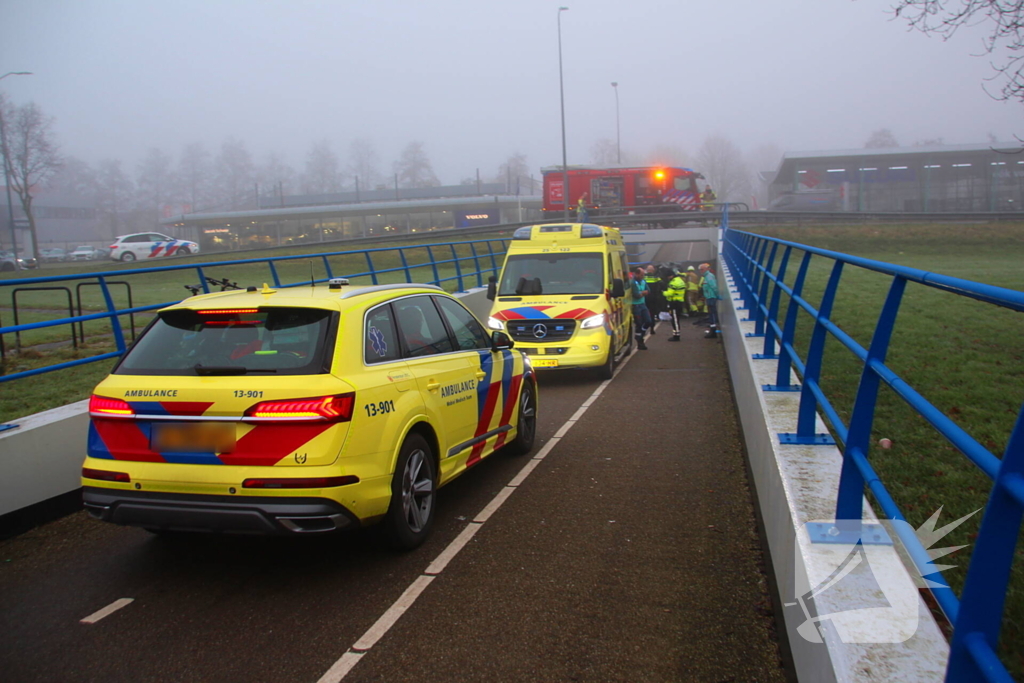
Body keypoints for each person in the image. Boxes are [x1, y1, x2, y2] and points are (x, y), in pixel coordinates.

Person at [630, 266, 651, 350]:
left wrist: (641, 293)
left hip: (642, 304)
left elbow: (648, 291)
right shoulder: (632, 283)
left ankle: (641, 334)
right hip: (635, 306)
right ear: (636, 274)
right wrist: (643, 293)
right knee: (639, 323)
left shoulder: (643, 281)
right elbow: (636, 295)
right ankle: (640, 341)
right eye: (642, 275)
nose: (643, 277)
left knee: (648, 321)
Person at [663, 267, 687, 341]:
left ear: (671, 276)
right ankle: (676, 333)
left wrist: (663, 292)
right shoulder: (680, 280)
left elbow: (669, 293)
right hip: (680, 301)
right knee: (676, 318)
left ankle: (676, 335)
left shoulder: (673, 283)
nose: (667, 278)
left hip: (674, 303)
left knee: (675, 319)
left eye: (668, 277)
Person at [699, 262, 720, 338]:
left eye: (702, 269)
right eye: (700, 269)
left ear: (706, 269)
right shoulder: (706, 276)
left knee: (712, 314)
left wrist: (717, 295)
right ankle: (712, 330)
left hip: (711, 297)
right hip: (709, 297)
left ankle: (713, 332)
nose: (700, 271)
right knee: (711, 314)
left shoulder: (709, 276)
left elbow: (714, 286)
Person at [644, 264, 665, 334]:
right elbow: (662, 285)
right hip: (654, 297)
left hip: (645, 297)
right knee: (652, 313)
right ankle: (652, 329)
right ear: (653, 271)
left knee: (645, 313)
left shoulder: (644, 278)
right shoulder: (656, 277)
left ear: (647, 270)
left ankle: (644, 329)